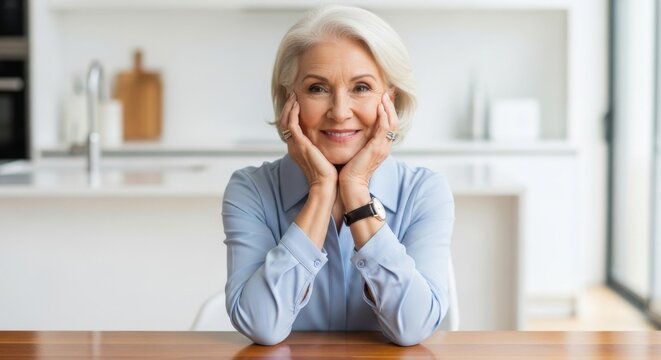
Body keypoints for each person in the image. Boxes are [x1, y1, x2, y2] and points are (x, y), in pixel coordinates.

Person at [222, 5, 454, 346]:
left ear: (390, 100)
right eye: (318, 88)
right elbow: (262, 325)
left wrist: (356, 190)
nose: (340, 112)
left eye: (361, 88)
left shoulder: (424, 192)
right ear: (291, 100)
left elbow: (413, 327)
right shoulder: (250, 190)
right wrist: (320, 190)